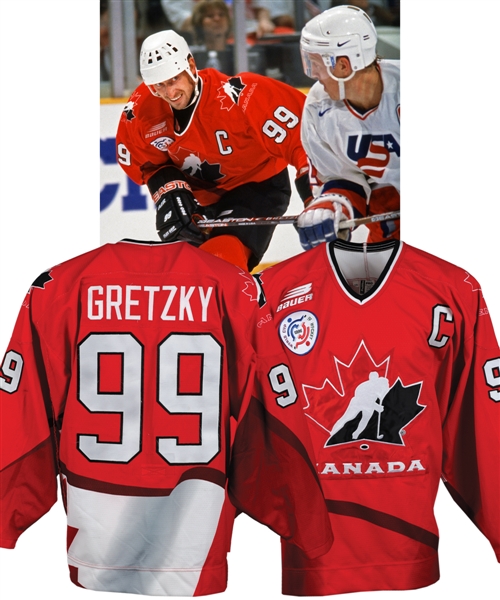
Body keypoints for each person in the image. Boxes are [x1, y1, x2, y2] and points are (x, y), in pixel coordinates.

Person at [0, 238, 333, 596]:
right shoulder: (235, 286)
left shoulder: (59, 284)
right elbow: (272, 410)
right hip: (197, 535)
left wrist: (7, 513)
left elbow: (22, 412)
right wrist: (304, 520)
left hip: (94, 531)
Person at [253, 237, 500, 595]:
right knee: (345, 423)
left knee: (359, 423)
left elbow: (481, 422)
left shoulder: (453, 287)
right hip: (316, 549)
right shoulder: (274, 289)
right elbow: (242, 422)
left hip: (409, 545)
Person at [116, 29, 312, 272]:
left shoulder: (240, 97)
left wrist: (316, 198)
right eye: (159, 86)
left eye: (174, 79)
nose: (169, 93)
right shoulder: (141, 109)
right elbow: (148, 164)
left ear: (190, 65)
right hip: (199, 198)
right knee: (185, 274)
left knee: (219, 263)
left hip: (256, 186)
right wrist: (168, 191)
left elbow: (305, 138)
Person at [296, 4, 400, 248]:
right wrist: (332, 209)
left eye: (316, 65)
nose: (314, 75)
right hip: (388, 234)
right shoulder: (318, 107)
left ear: (343, 65)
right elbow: (339, 177)